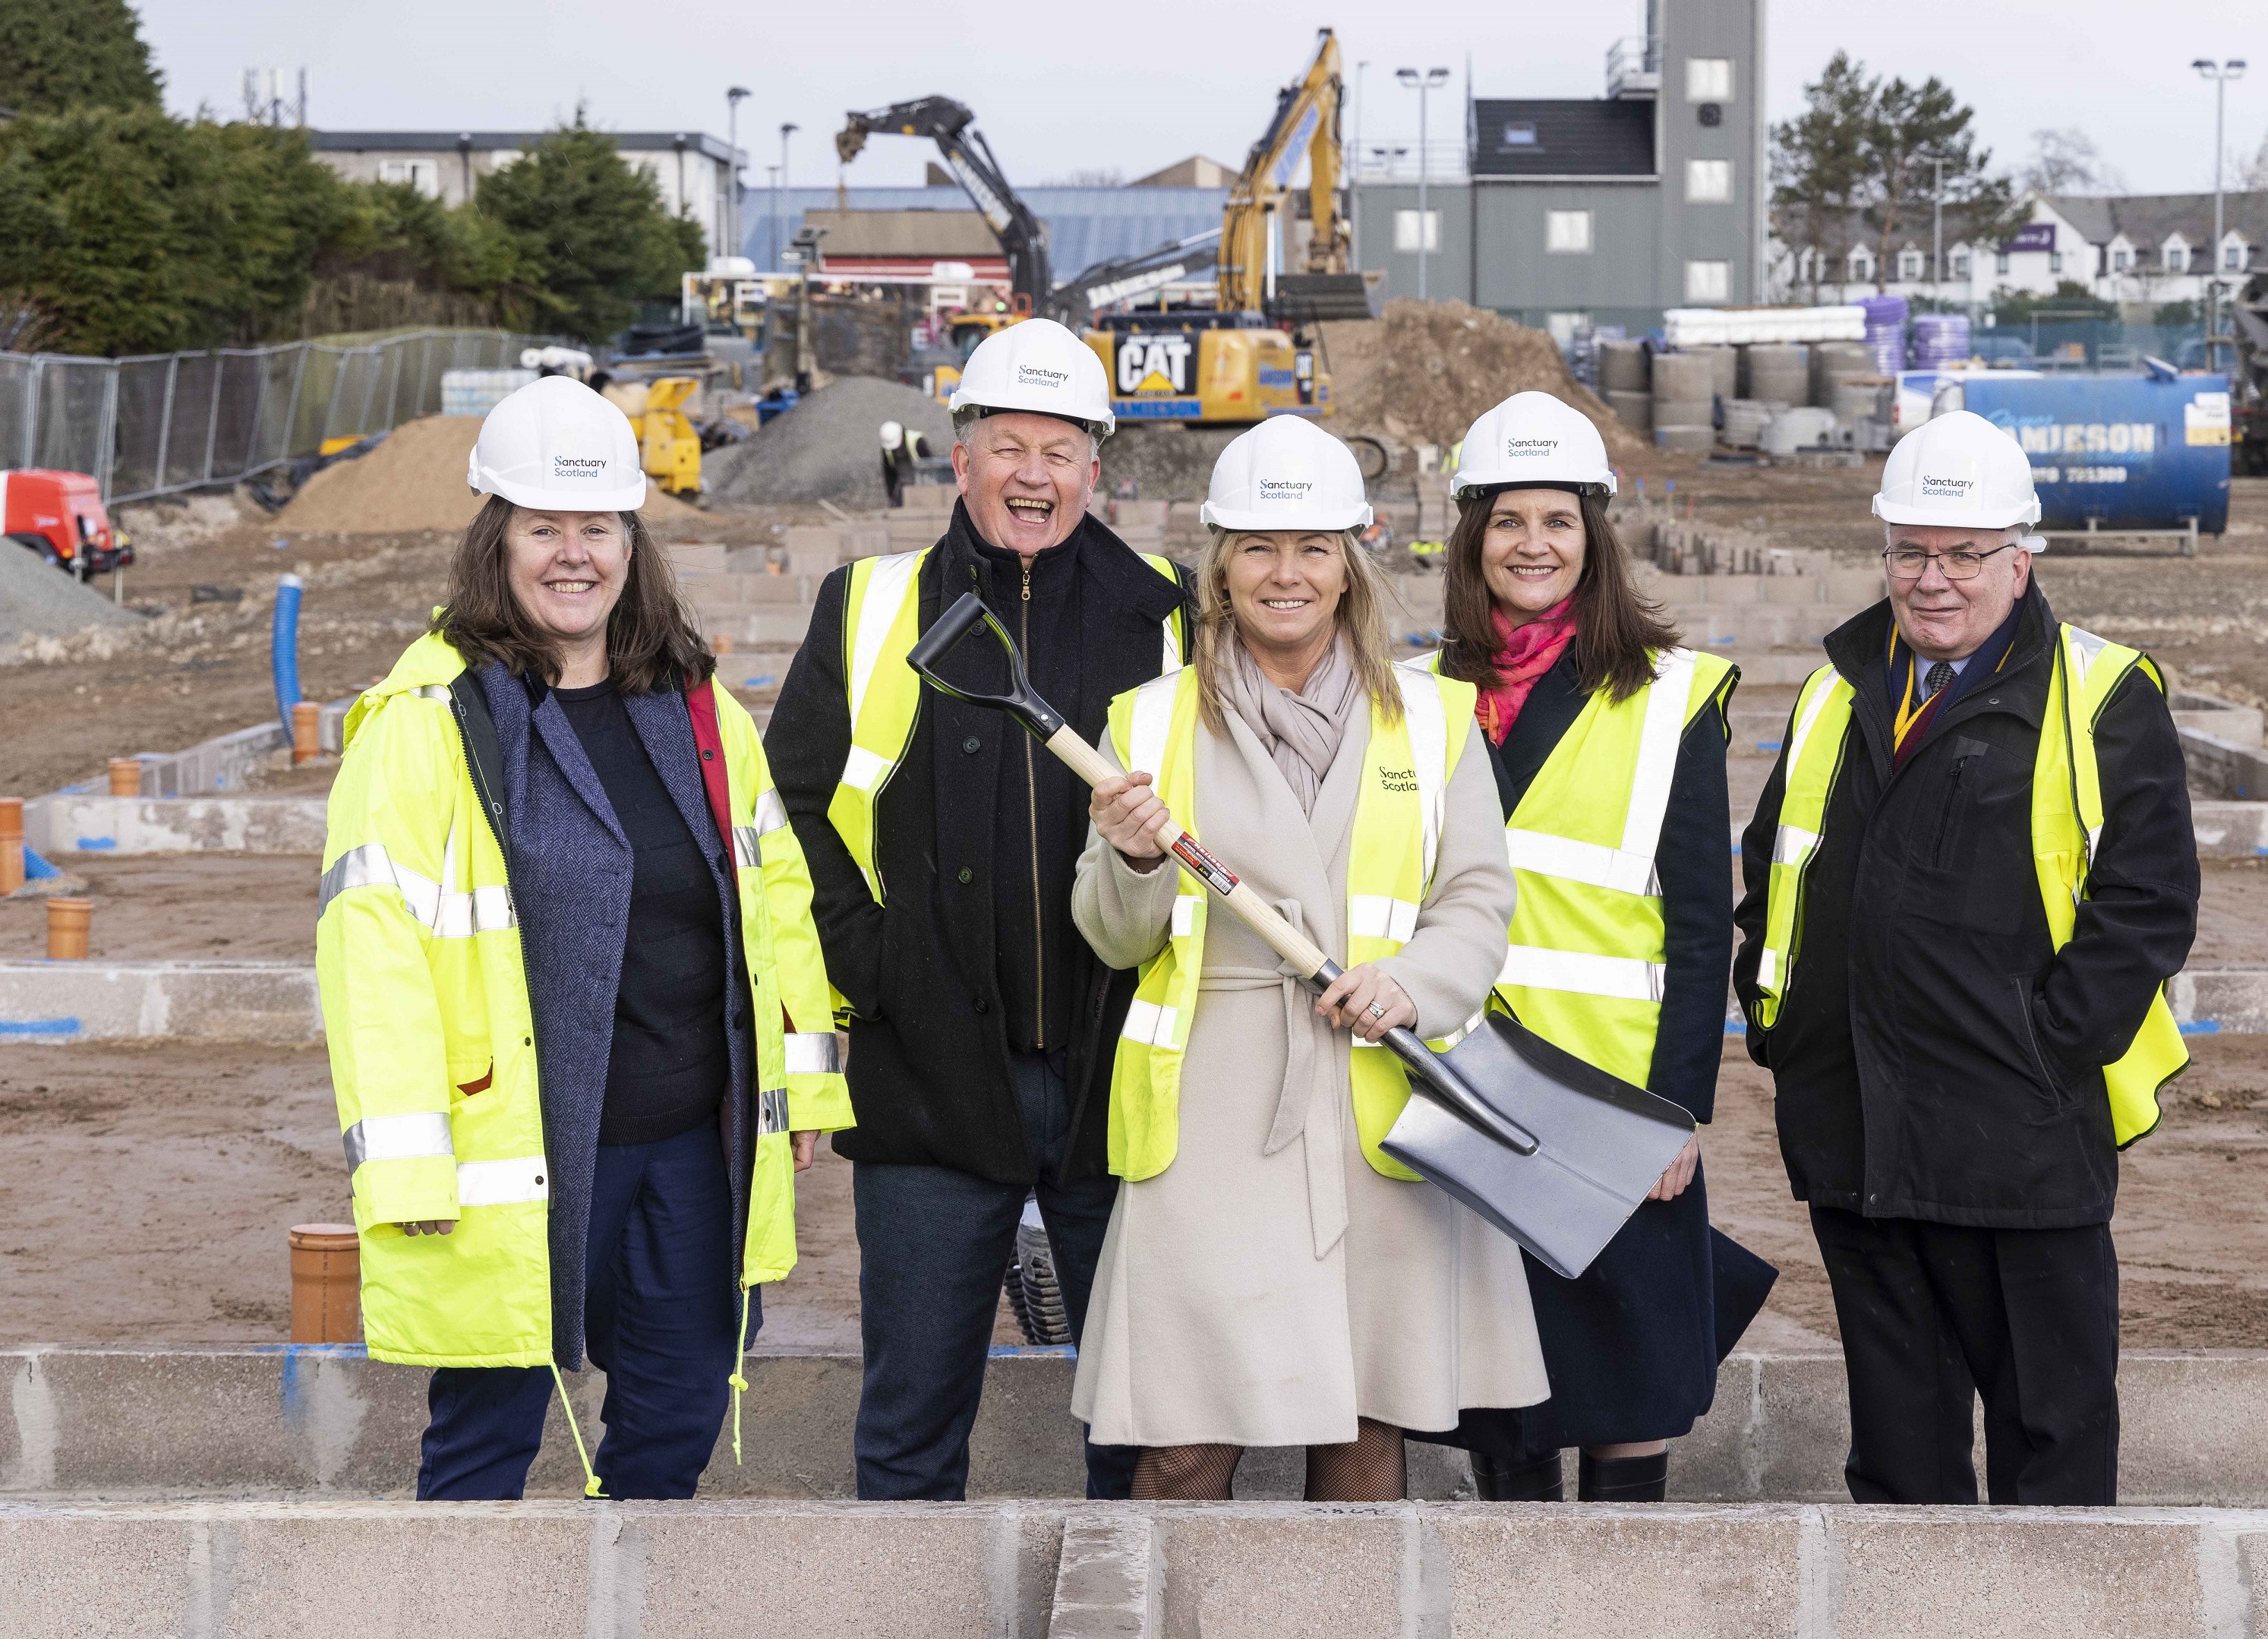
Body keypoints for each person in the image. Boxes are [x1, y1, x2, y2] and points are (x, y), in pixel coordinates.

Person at [315, 375, 848, 1501]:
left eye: (595, 526)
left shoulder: (696, 707)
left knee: (679, 1410)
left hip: (690, 1148)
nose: (573, 554)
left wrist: (798, 1089)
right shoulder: (429, 725)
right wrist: (407, 1160)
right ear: (494, 539)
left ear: (630, 540)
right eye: (543, 527)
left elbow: (772, 900)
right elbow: (377, 956)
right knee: (486, 1438)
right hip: (520, 1151)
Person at [1069, 415, 1545, 1502]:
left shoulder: (1431, 722)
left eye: (1313, 547)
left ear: (1351, 565)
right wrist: (1135, 860)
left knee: (1365, 1424)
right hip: (1216, 1118)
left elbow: (1476, 899)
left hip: (1378, 1095)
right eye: (1258, 547)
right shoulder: (1146, 723)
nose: (1286, 573)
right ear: (1221, 566)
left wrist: (1411, 986)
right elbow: (1113, 934)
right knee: (1184, 1440)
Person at [1733, 410, 2199, 1507]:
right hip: (1859, 1133)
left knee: (2054, 1446)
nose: (1931, 579)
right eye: (1909, 550)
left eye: (1963, 553)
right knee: (1900, 1463)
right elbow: (1777, 870)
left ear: (2021, 556)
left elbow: (2148, 901)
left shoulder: (2100, 691)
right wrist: (1784, 1029)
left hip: (2021, 1148)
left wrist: (2047, 1046)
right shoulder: (1837, 690)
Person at [766, 318, 1189, 1501]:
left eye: (1061, 450)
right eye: (1010, 447)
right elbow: (791, 809)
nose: (1034, 476)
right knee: (910, 1413)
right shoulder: (869, 605)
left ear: (1098, 467)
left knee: (1145, 1413)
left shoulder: (1167, 610)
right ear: (961, 458)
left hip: (1119, 1069)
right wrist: (880, 967)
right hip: (931, 1071)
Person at [1407, 392, 1740, 1503]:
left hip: (1615, 1099)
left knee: (1627, 1389)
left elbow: (1701, 925)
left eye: (1558, 520)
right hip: (1477, 1091)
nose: (1533, 544)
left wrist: (1676, 1109)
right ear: (1472, 538)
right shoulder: (1419, 695)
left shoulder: (1668, 697)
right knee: (1505, 1400)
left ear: (1595, 536)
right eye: (1508, 521)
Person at [878, 419, 931, 507]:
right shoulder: (887, 449)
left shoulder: (917, 441)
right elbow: (889, 475)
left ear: (902, 436)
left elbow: (930, 466)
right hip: (904, 488)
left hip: (923, 485)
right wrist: (891, 497)